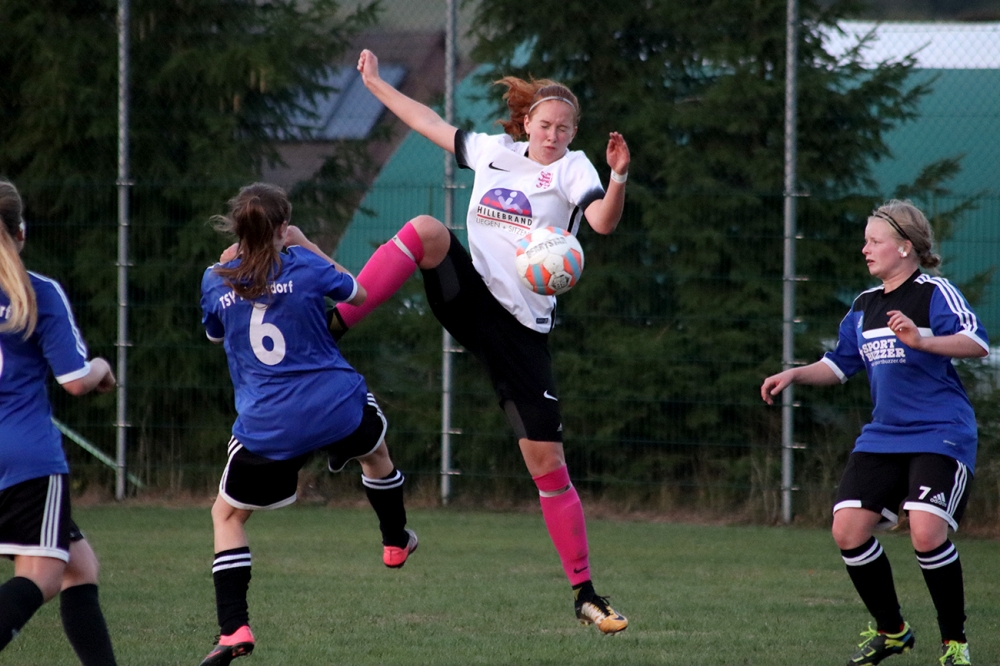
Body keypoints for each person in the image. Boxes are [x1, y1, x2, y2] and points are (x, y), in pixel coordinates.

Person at [328, 49, 631, 634]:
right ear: (527, 123)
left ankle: (586, 595)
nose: (553, 135)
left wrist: (617, 175)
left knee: (548, 467)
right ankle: (331, 326)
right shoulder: (494, 151)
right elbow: (428, 121)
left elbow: (602, 223)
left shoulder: (574, 169)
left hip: (521, 334)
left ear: (574, 134)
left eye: (564, 128)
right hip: (471, 299)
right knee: (426, 231)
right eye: (545, 124)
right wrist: (376, 85)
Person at [760, 200, 988, 666]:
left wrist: (921, 340)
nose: (865, 249)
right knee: (847, 529)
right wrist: (796, 373)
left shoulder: (934, 293)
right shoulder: (865, 305)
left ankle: (955, 644)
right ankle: (893, 631)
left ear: (904, 247)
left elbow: (976, 342)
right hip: (885, 434)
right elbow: (838, 365)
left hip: (940, 431)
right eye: (865, 241)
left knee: (926, 531)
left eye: (874, 241)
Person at [198, 183, 416, 666]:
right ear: (282, 228)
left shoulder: (215, 279)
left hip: (268, 424)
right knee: (376, 452)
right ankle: (395, 540)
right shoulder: (304, 264)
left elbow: (215, 334)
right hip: (333, 405)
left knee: (227, 517)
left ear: (237, 230)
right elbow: (358, 292)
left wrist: (235, 264)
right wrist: (307, 244)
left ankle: (234, 629)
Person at [0, 180, 118, 665]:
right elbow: (73, 380)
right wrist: (102, 368)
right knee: (43, 574)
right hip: (25, 459)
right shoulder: (36, 292)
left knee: (79, 567)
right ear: (21, 232)